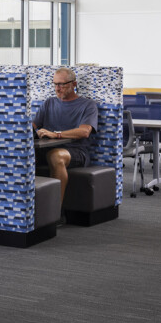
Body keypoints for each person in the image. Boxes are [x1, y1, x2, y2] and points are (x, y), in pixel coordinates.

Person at [33, 67, 99, 220]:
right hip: (45, 150)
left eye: (62, 84)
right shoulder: (49, 103)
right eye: (55, 84)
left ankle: (55, 214)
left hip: (75, 151)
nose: (58, 88)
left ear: (74, 84)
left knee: (56, 156)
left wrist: (56, 135)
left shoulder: (88, 105)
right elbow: (33, 126)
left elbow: (84, 132)